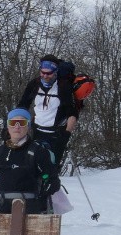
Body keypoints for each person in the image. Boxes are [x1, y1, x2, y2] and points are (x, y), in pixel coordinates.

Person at [16, 54, 77, 182]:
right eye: (42, 73)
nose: (45, 76)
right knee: (30, 167)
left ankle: (50, 198)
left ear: (55, 72)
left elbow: (72, 113)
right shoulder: (34, 84)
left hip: (56, 135)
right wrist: (15, 126)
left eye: (48, 74)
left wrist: (66, 135)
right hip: (36, 132)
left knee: (50, 173)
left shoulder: (63, 86)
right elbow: (22, 106)